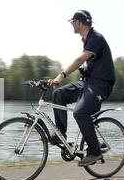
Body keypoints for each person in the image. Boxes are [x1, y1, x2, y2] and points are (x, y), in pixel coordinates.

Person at [47, 10, 115, 167]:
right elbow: (90, 63)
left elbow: (80, 59)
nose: (71, 24)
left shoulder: (95, 38)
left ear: (79, 22)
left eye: (72, 21)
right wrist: (86, 71)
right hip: (88, 82)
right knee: (59, 95)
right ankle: (60, 134)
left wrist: (61, 75)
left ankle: (95, 151)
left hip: (101, 85)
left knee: (80, 112)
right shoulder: (87, 40)